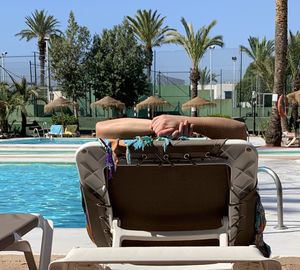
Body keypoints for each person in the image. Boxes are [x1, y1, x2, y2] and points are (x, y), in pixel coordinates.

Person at [96, 114, 248, 140]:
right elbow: (240, 131)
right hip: (208, 224)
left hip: (137, 224)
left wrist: (154, 127)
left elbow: (101, 130)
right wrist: (180, 121)